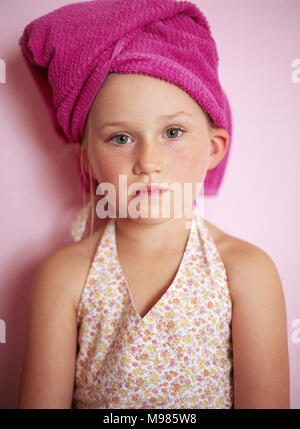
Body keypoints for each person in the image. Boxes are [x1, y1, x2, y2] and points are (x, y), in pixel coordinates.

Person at [17, 0, 290, 409]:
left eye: (173, 132)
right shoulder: (66, 277)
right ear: (87, 159)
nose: (148, 162)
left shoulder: (247, 274)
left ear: (214, 147)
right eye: (121, 138)